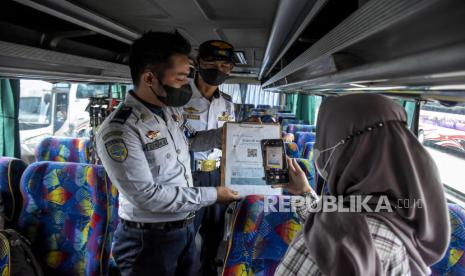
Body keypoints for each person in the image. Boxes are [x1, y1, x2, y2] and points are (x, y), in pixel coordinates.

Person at [96, 31, 239, 276]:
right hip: (148, 239)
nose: (187, 84)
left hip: (181, 231)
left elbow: (192, 142)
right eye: (181, 77)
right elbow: (146, 196)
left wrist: (236, 133)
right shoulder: (120, 129)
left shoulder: (169, 113)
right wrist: (214, 194)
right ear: (150, 78)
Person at [274, 93, 450, 275]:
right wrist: (304, 192)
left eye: (326, 140)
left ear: (347, 151)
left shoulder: (330, 245)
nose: (320, 150)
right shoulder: (411, 216)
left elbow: (339, 228)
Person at [180, 39, 236, 275]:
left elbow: (231, 143)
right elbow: (178, 143)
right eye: (211, 61)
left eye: (224, 65)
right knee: (186, 235)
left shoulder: (227, 103)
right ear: (198, 62)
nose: (217, 68)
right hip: (187, 175)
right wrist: (219, 136)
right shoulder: (178, 99)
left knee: (214, 236)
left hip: (218, 175)